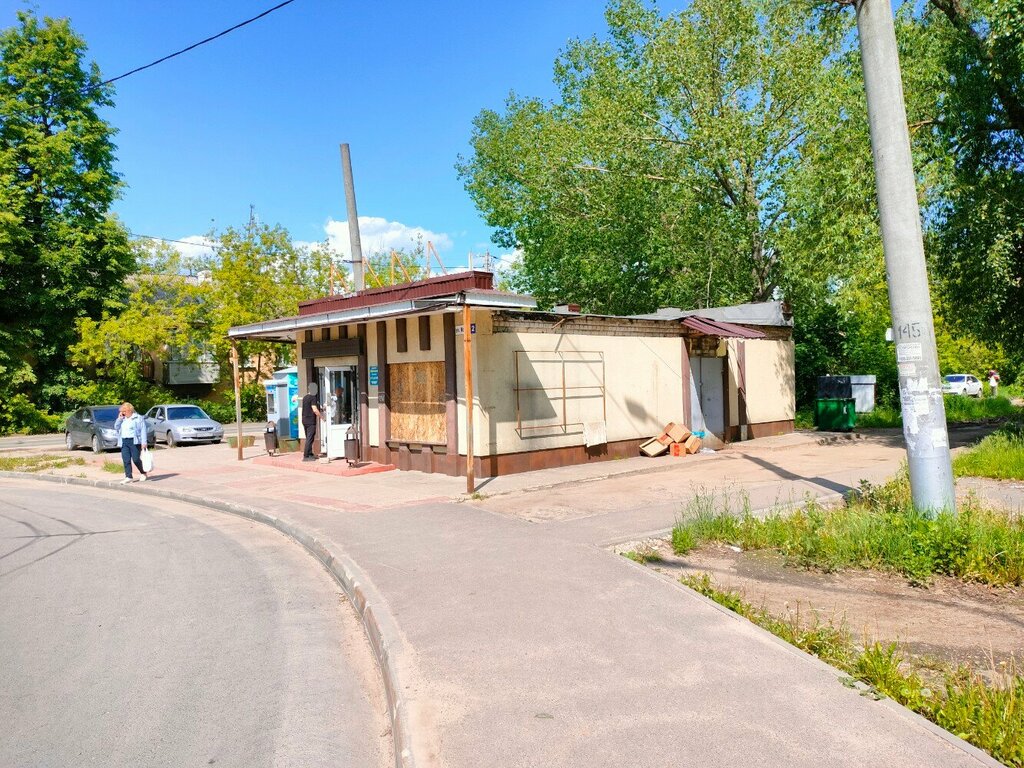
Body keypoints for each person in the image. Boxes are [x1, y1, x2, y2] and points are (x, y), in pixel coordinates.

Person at [114, 402, 148, 483]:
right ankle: (128, 476)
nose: (123, 413)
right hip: (124, 441)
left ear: (129, 410)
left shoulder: (138, 418)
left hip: (134, 441)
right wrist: (119, 419)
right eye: (122, 412)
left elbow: (143, 430)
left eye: (124, 411)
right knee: (126, 459)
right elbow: (116, 427)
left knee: (136, 459)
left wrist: (144, 442)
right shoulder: (123, 419)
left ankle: (143, 472)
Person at [301, 382, 322, 461]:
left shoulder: (305, 397)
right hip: (310, 421)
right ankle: (306, 456)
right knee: (310, 438)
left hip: (304, 420)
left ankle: (310, 453)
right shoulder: (313, 397)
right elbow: (314, 409)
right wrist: (322, 417)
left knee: (308, 437)